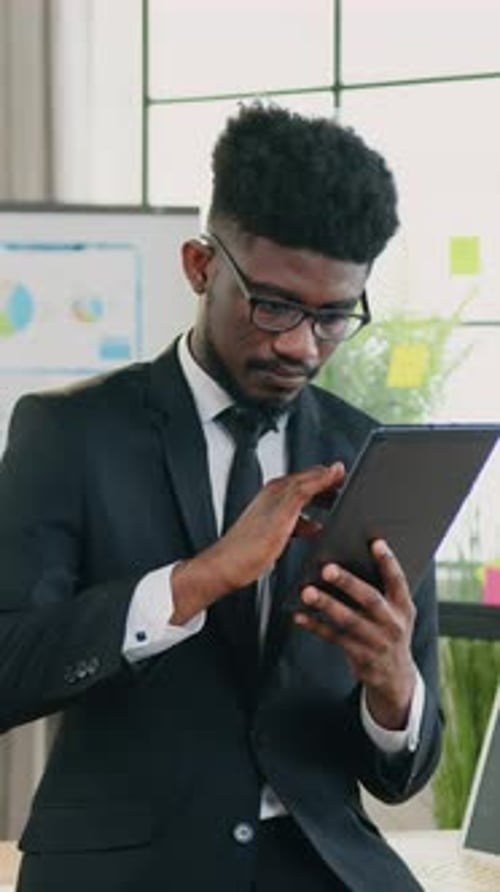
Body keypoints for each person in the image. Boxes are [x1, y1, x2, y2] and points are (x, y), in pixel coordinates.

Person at [0, 103, 442, 892]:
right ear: (201, 266)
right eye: (273, 306)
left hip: (323, 866)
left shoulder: (367, 455)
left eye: (335, 316)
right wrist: (198, 579)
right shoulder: (68, 435)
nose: (301, 346)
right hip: (127, 870)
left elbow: (401, 771)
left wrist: (393, 687)